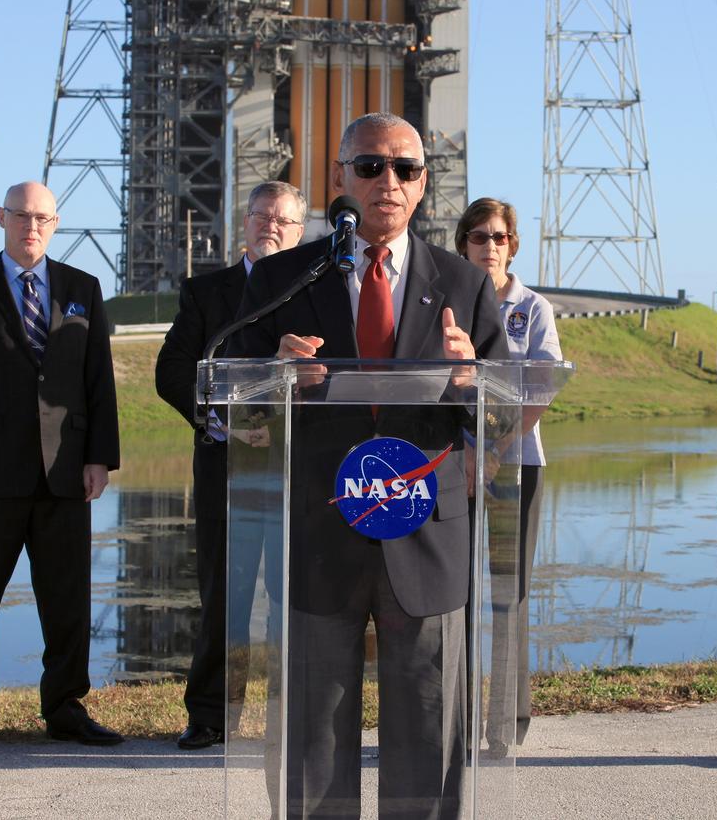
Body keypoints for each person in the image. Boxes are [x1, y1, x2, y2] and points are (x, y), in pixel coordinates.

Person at [231, 112, 508, 818]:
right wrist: (272, 372)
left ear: (422, 185)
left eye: (405, 169)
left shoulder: (466, 284)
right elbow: (235, 400)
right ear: (341, 178)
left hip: (427, 531)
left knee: (428, 714)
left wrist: (473, 379)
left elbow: (506, 402)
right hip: (322, 529)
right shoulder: (286, 277)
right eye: (371, 167)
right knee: (315, 725)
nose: (388, 181)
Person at [0, 181, 122, 753]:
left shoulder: (82, 289)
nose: (31, 226)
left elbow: (99, 384)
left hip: (66, 475)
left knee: (67, 601)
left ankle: (64, 708)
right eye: (20, 216)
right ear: (2, 218)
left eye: (41, 218)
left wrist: (99, 458)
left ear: (55, 223)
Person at [154, 180, 307, 751]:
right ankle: (213, 715)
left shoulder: (315, 289)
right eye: (261, 215)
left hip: (298, 470)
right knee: (226, 596)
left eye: (284, 220)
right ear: (244, 223)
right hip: (227, 469)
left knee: (295, 596)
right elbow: (172, 372)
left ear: (299, 233)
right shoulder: (207, 292)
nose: (270, 225)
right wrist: (222, 420)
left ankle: (293, 716)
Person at [454, 197, 563, 759]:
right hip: (453, 467)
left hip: (517, 466)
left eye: (499, 237)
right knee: (452, 595)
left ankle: (504, 726)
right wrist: (468, 452)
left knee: (507, 596)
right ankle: (456, 722)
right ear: (463, 245)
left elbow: (541, 386)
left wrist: (494, 449)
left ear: (512, 244)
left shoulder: (533, 307)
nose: (489, 246)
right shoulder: (447, 304)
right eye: (478, 237)